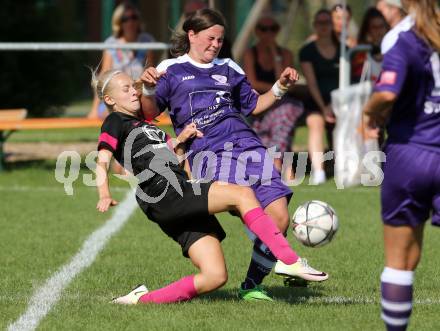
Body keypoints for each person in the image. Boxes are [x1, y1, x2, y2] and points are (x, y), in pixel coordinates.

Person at [140, 8, 328, 301]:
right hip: (210, 152)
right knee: (245, 202)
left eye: (220, 39)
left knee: (278, 219)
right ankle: (289, 262)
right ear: (192, 34)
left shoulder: (229, 67)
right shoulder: (171, 69)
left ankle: (251, 286)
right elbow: (150, 112)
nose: (215, 44)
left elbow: (252, 106)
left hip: (249, 146)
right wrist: (149, 90)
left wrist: (280, 87)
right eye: (210, 38)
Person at [93, 69, 324, 305]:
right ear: (110, 100)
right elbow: (103, 157)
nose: (134, 91)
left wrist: (181, 142)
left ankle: (139, 300)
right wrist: (104, 193)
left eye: (133, 86)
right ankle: (288, 258)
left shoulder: (145, 126)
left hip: (173, 193)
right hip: (165, 193)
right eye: (126, 89)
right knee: (242, 194)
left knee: (215, 276)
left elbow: (174, 163)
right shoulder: (115, 121)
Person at [362, 0, 440, 329]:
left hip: (411, 152)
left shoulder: (405, 40)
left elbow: (387, 93)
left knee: (400, 261)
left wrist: (369, 112)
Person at [243, 15, 303, 180]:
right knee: (283, 118)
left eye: (273, 29)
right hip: (259, 103)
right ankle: (283, 165)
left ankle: (276, 161)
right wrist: (275, 89)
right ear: (257, 31)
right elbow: (252, 83)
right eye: (263, 29)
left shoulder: (285, 54)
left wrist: (276, 57)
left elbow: (286, 81)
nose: (268, 33)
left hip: (282, 103)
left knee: (285, 114)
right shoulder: (250, 54)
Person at [88, 2, 155, 119]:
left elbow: (150, 75)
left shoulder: (147, 41)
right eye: (125, 19)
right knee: (110, 115)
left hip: (138, 94)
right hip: (117, 95)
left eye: (134, 17)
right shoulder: (111, 43)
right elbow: (102, 78)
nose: (130, 22)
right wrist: (94, 109)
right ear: (119, 22)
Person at [299, 9, 340, 185]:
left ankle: (346, 168)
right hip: (316, 101)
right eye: (319, 23)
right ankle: (319, 172)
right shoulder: (307, 51)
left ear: (332, 25)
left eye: (327, 22)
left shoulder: (344, 49)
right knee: (316, 123)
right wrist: (324, 108)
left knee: (345, 123)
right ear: (314, 26)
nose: (323, 27)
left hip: (339, 100)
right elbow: (312, 83)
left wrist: (333, 104)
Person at [351, 7, 388, 83]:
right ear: (367, 30)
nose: (379, 31)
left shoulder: (393, 51)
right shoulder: (360, 55)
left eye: (381, 26)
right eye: (374, 27)